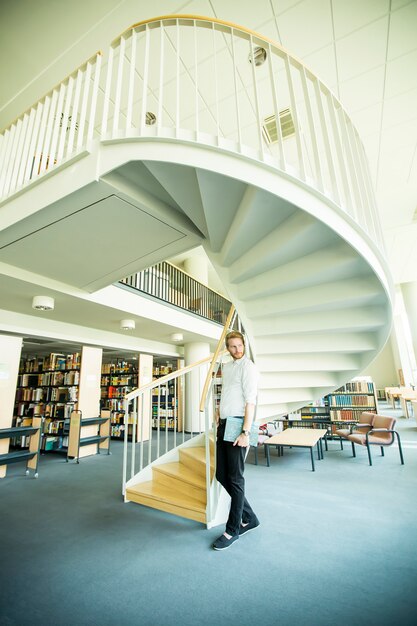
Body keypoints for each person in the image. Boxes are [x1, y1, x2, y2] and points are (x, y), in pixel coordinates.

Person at [212, 330, 260, 551]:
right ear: (227, 347)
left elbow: (250, 402)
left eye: (239, 345)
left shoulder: (248, 367)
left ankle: (232, 530)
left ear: (244, 344)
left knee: (236, 478)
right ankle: (249, 517)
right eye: (232, 346)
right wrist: (218, 411)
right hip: (224, 423)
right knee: (221, 474)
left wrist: (246, 432)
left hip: (239, 424)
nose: (237, 350)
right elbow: (228, 393)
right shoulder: (228, 366)